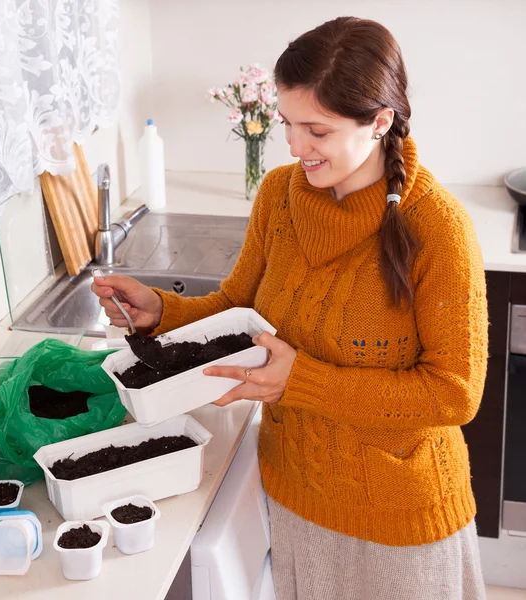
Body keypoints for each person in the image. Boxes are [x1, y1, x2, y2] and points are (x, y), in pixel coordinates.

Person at [92, 16, 488, 600]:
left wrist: (301, 381)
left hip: (398, 522)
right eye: (288, 124)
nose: (296, 147)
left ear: (380, 122)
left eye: (317, 131)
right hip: (293, 495)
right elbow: (237, 306)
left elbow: (455, 393)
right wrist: (161, 313)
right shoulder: (280, 195)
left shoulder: (439, 228)